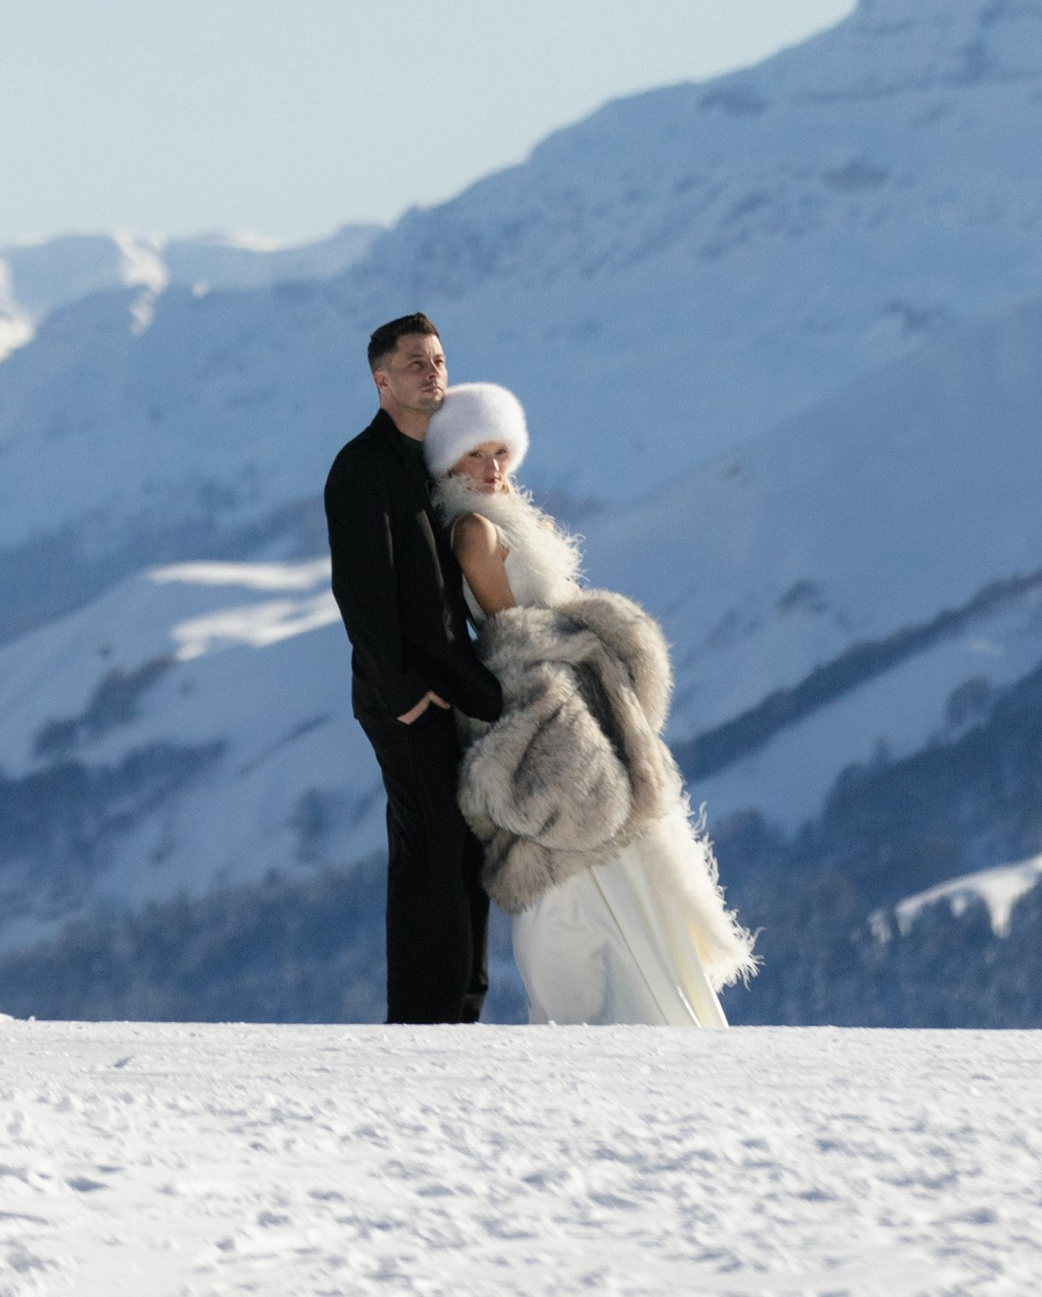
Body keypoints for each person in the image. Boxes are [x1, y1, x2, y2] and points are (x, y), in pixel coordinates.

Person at [421, 378, 755, 1028]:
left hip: (572, 699)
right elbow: (510, 629)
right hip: (549, 704)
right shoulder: (475, 532)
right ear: (447, 463)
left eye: (498, 453)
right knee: (586, 873)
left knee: (608, 862)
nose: (491, 468)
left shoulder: (504, 518)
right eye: (474, 455)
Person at [321, 312, 505, 1025]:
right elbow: (360, 592)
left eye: (438, 359)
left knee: (459, 852)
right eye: (414, 362)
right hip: (405, 696)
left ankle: (461, 1009)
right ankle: (425, 1023)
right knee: (431, 851)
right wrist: (403, 693)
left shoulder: (434, 460)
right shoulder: (361, 466)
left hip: (452, 689)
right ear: (381, 381)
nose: (432, 371)